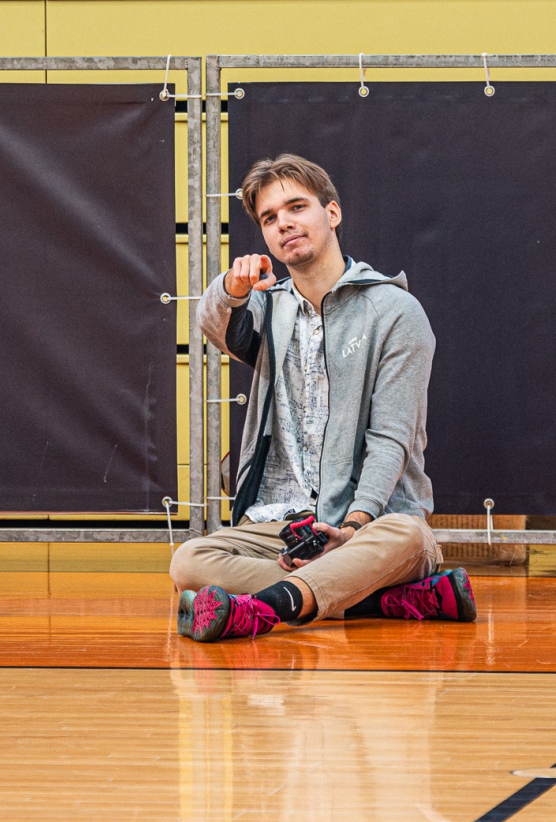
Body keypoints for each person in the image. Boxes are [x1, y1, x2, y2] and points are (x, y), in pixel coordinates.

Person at [171, 153, 471, 642]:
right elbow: (214, 325)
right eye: (269, 217)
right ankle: (380, 599)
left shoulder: (395, 311)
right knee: (190, 560)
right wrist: (230, 288)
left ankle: (264, 609)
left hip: (369, 524)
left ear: (331, 213)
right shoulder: (267, 308)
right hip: (284, 525)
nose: (284, 223)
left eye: (297, 207)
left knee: (410, 536)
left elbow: (392, 437)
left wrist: (353, 525)